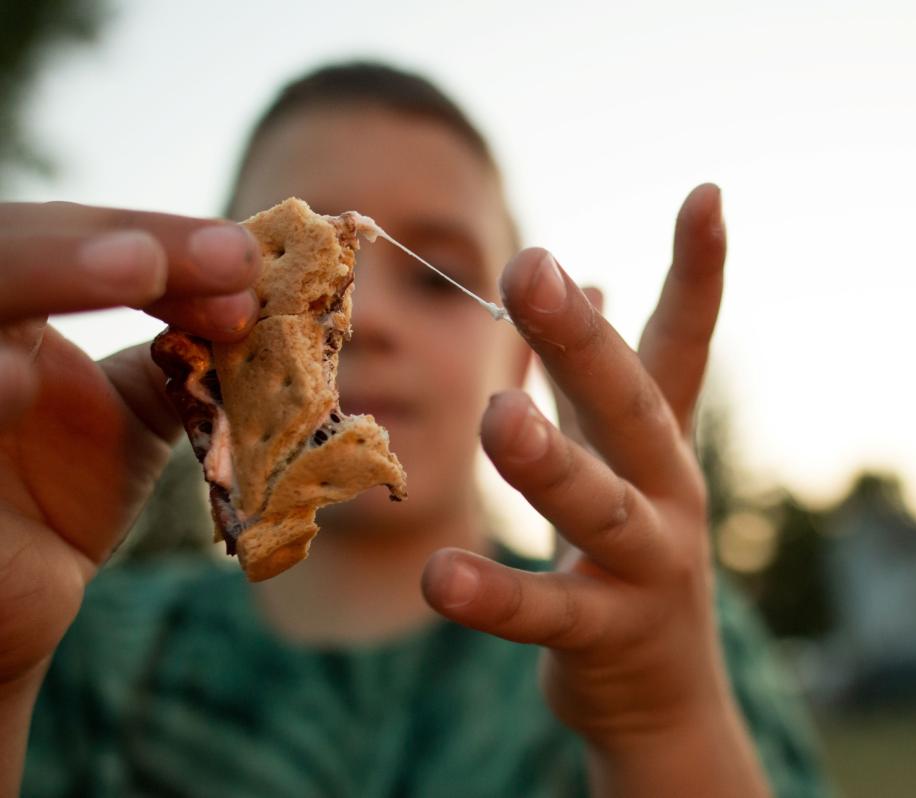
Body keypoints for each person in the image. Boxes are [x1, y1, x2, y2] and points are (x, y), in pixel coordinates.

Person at [1, 62, 829, 797]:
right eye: (293, 277)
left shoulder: (655, 631)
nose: (370, 320)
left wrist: (663, 725)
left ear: (519, 358)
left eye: (442, 281)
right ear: (207, 334)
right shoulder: (76, 649)